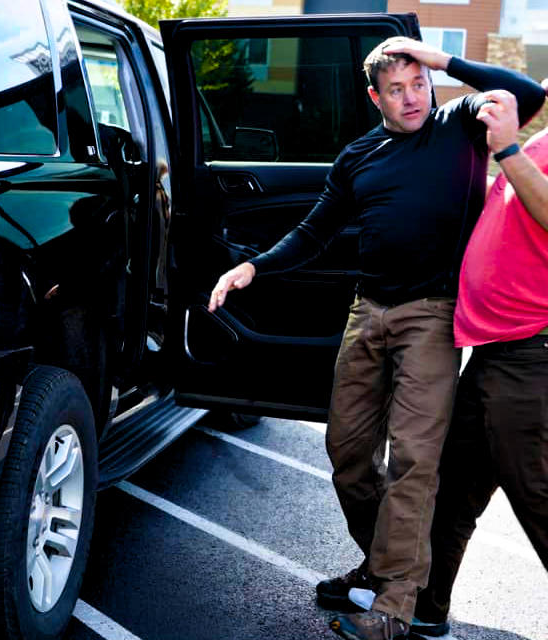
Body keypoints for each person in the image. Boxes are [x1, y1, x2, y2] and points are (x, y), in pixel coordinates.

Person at [208, 36, 546, 640]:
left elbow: (526, 93)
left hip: (433, 317)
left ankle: (393, 606)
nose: (412, 98)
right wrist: (254, 266)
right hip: (367, 312)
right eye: (397, 89)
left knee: (414, 459)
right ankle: (380, 563)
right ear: (375, 97)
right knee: (348, 455)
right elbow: (314, 232)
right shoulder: (358, 156)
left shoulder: (459, 126)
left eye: (419, 85)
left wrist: (439, 58)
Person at [407, 79, 548, 634]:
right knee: (452, 489)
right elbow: (514, 206)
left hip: (532, 356)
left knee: (538, 496)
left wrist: (507, 149)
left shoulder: (522, 146)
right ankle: (427, 609)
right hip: (494, 353)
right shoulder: (539, 144)